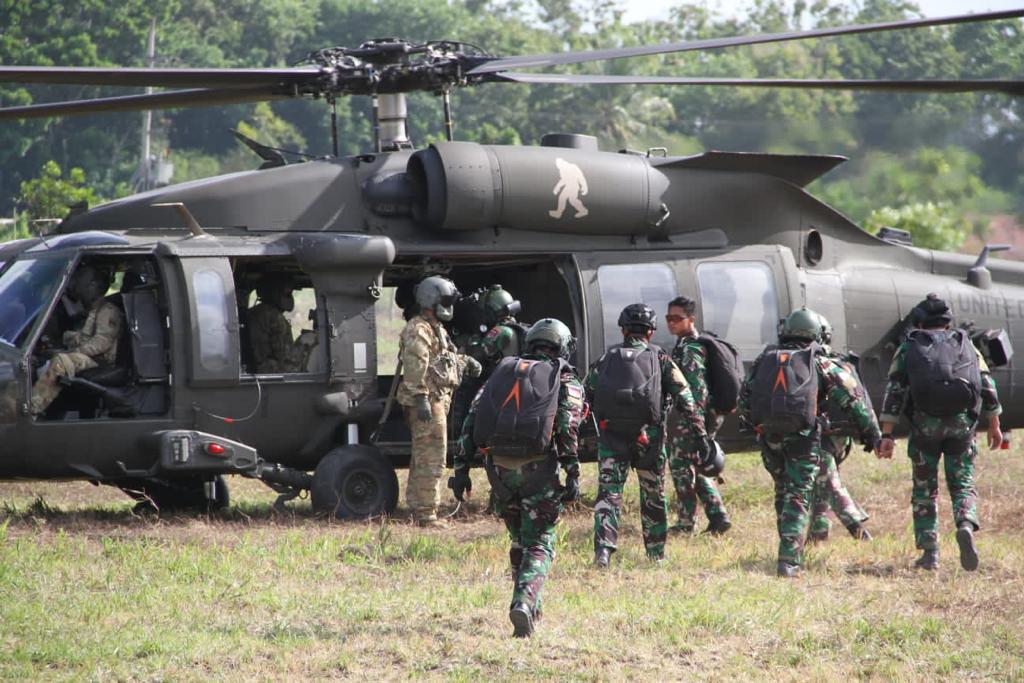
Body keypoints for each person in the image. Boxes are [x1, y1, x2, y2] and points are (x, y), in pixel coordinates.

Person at [452, 318, 584, 638]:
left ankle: (527, 605)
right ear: (562, 346)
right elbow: (568, 427)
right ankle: (524, 603)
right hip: (539, 470)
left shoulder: (502, 371)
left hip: (498, 470)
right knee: (540, 542)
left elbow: (471, 419)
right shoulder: (564, 377)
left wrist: (461, 469)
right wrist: (572, 471)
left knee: (518, 539)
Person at [738, 307, 881, 578]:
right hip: (804, 438)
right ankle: (789, 560)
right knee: (798, 496)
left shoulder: (765, 358)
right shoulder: (819, 360)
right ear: (816, 333)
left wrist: (754, 426)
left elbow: (745, 396)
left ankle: (790, 546)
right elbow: (852, 399)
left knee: (782, 492)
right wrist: (871, 434)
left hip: (770, 438)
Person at [876, 294, 1003, 571]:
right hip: (961, 425)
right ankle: (966, 523)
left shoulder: (909, 348)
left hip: (925, 427)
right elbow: (986, 384)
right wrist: (994, 424)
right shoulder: (965, 343)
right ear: (948, 323)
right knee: (963, 484)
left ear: (919, 322)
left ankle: (930, 553)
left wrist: (886, 435)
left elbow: (894, 392)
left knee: (925, 490)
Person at [586, 303, 709, 567]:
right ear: (651, 332)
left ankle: (603, 552)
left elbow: (587, 392)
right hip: (649, 439)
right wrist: (700, 434)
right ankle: (656, 554)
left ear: (623, 329)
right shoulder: (661, 358)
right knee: (653, 495)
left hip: (612, 437)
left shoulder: (608, 358)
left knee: (609, 495)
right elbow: (685, 397)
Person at [397, 275, 481, 527]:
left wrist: (465, 362)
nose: (449, 305)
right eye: (445, 300)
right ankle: (426, 513)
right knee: (431, 457)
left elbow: (442, 361)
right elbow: (415, 366)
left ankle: (419, 506)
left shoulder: (436, 328)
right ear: (431, 300)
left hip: (435, 399)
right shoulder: (418, 329)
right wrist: (421, 397)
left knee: (424, 455)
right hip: (427, 401)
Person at [663, 296, 731, 535]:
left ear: (691, 319)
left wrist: (695, 423)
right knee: (698, 464)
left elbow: (696, 389)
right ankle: (718, 516)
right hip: (695, 417)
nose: (671, 323)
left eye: (677, 318)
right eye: (668, 318)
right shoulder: (685, 344)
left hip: (691, 418)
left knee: (681, 468)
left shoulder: (691, 348)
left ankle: (685, 524)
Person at [808, 314, 873, 542]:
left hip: (819, 435)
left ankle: (858, 529)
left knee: (830, 485)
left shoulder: (813, 365)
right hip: (837, 436)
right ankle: (817, 535)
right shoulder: (839, 363)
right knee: (822, 486)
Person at [30, 264, 124, 416]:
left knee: (61, 362)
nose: (78, 289)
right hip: (90, 356)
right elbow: (85, 337)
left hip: (100, 360)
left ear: (94, 286)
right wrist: (67, 341)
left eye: (82, 284)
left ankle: (33, 408)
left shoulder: (108, 311)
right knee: (49, 356)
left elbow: (102, 342)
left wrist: (73, 351)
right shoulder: (92, 311)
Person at [248, 274, 311, 373]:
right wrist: (304, 342)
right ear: (274, 293)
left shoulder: (253, 312)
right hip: (272, 371)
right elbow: (284, 355)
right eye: (286, 293)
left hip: (257, 367)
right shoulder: (274, 316)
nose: (290, 298)